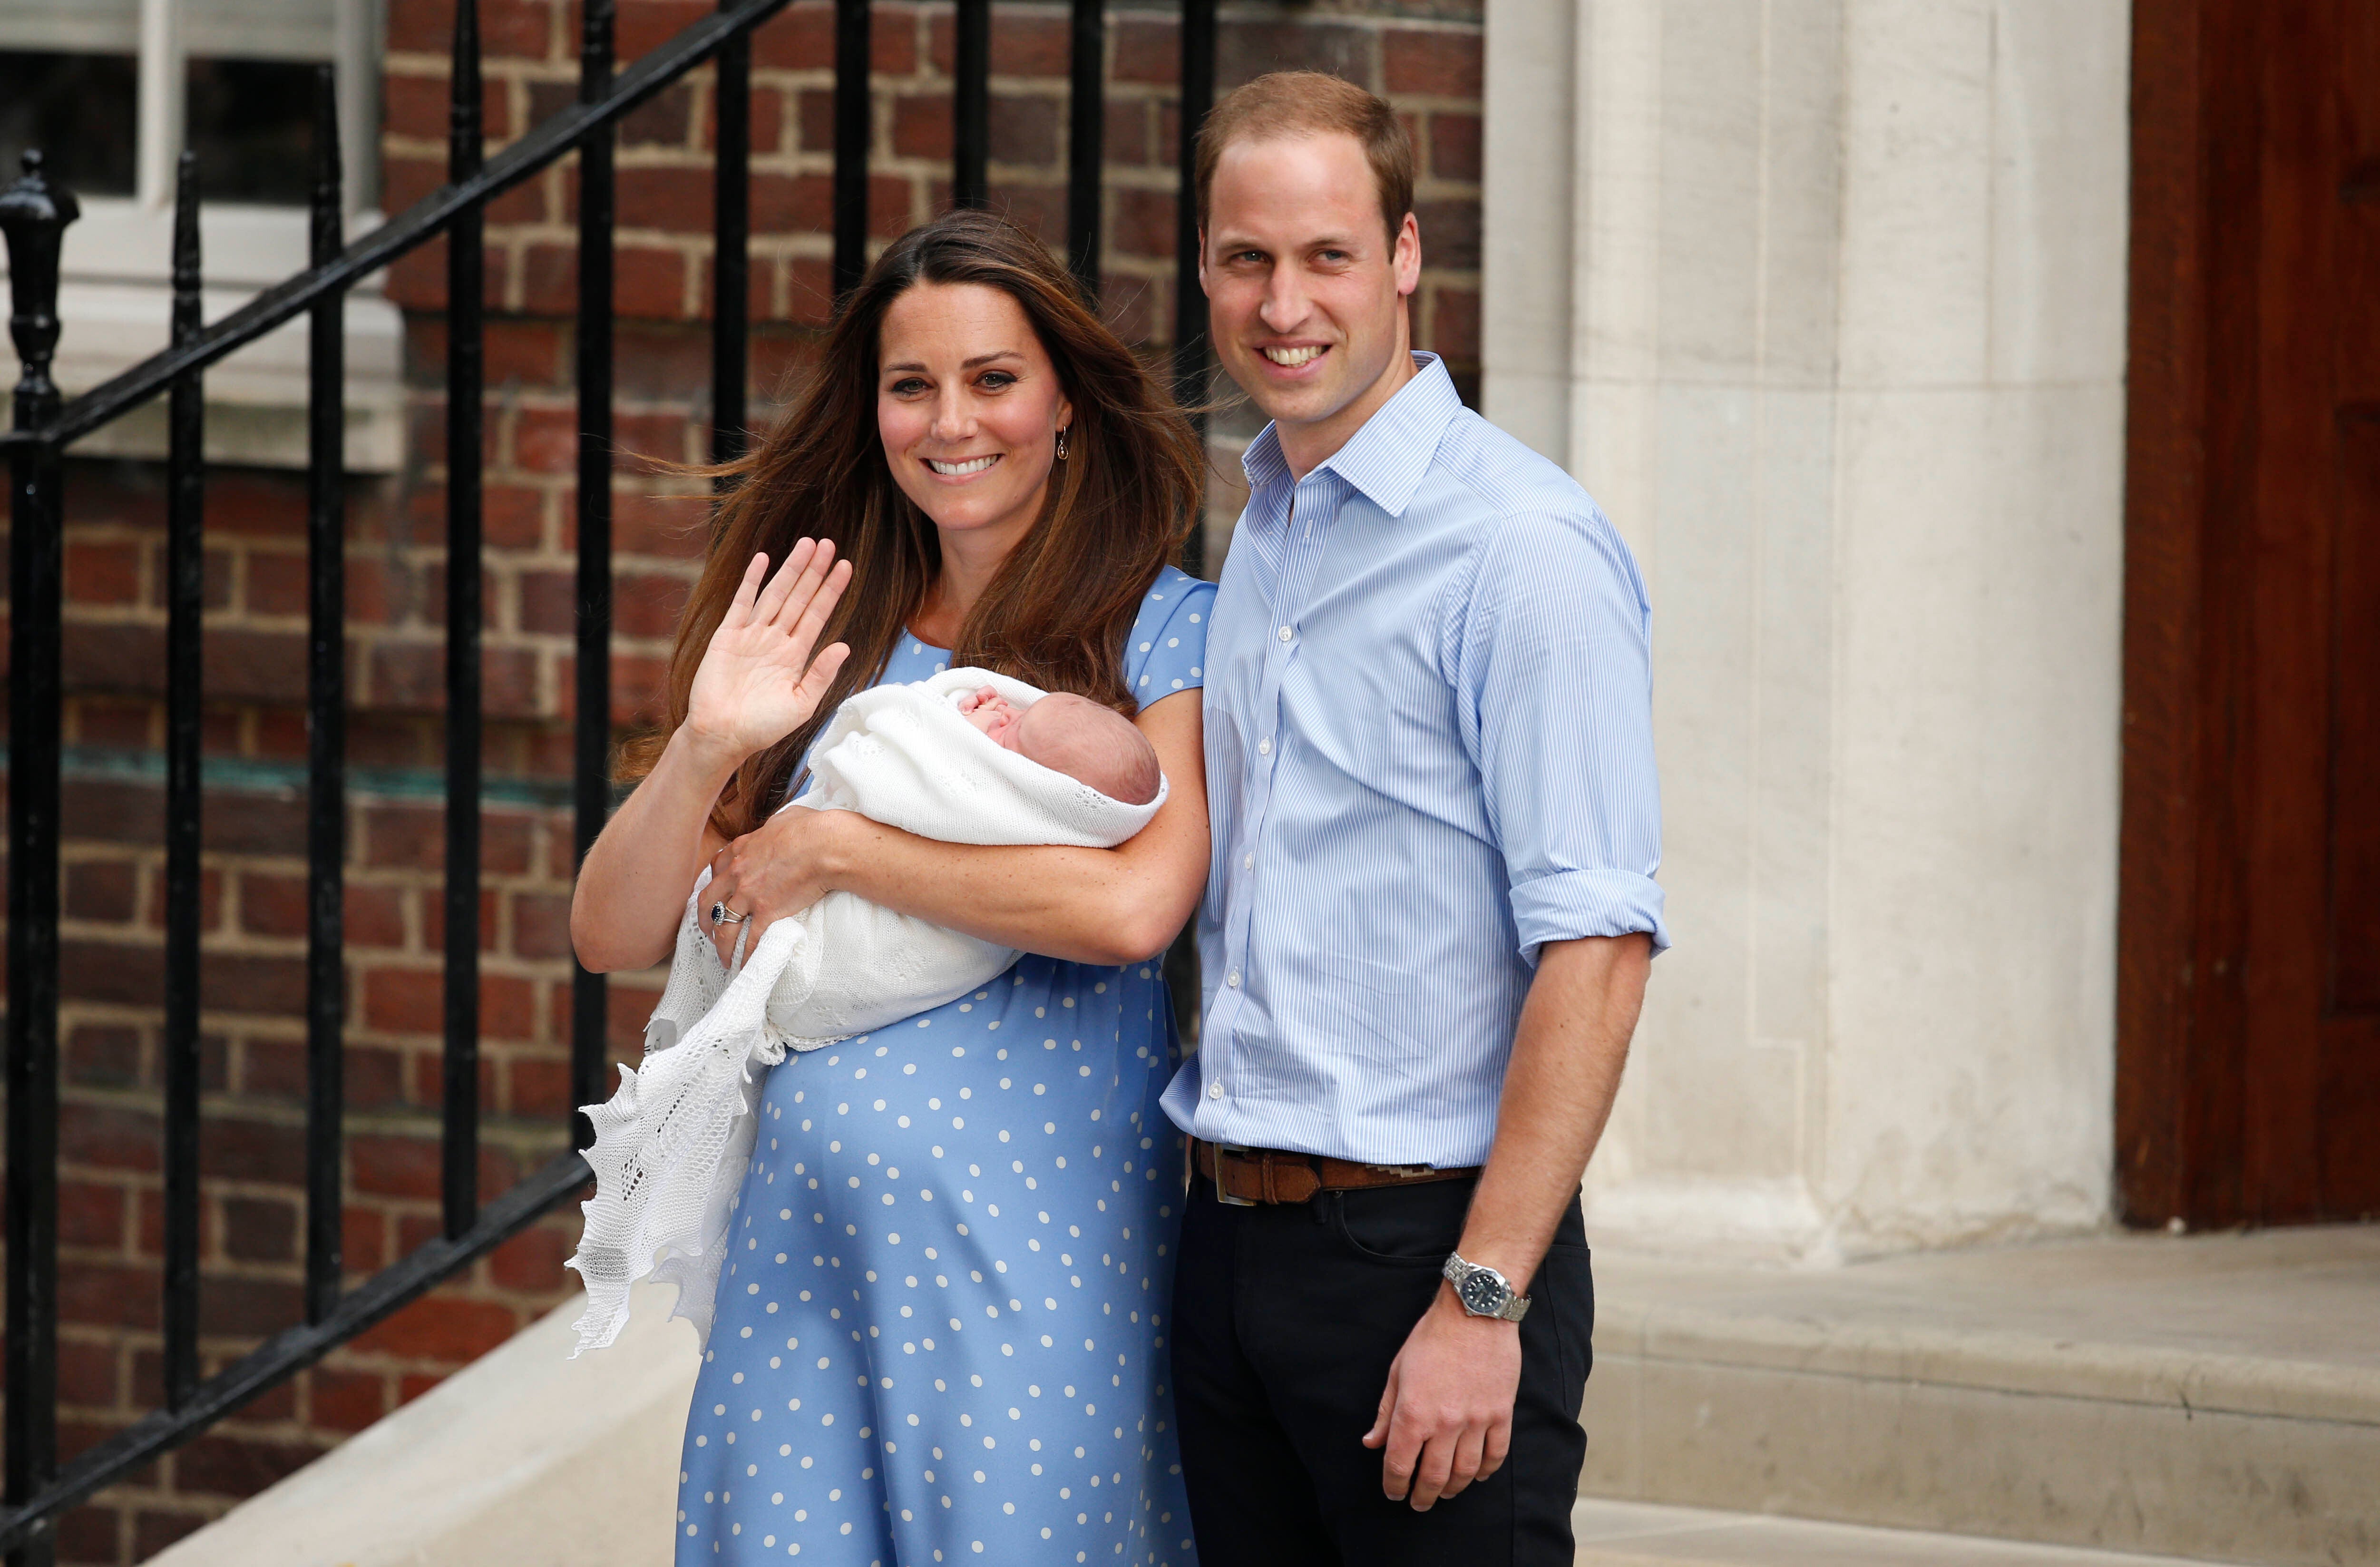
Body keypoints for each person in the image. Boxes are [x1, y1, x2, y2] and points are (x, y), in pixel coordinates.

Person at [568, 207, 1212, 1567]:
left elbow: (1131, 913)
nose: (949, 421)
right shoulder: (826, 642)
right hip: (802, 1269)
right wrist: (707, 747)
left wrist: (840, 852)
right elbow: (611, 930)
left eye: (992, 379)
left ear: (1066, 406)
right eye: (910, 385)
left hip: (1042, 1260)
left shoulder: (1163, 631)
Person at [1165, 71, 1667, 1567]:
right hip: (1229, 1244)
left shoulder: (1520, 548)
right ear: (1202, 265)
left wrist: (1481, 1298)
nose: (1280, 304)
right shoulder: (1262, 521)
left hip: (1424, 1255)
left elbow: (1598, 943)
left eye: (1324, 256)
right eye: (1245, 258)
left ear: (1402, 257)